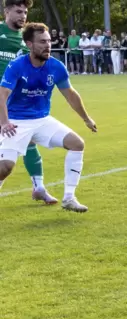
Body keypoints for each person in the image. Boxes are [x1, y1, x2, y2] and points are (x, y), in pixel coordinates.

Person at [0, 22, 97, 212]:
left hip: (42, 120)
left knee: (77, 144)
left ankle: (69, 197)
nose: (48, 45)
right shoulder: (17, 65)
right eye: (42, 42)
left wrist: (86, 119)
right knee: (5, 168)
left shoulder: (56, 66)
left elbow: (70, 94)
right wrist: (4, 122)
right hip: (17, 122)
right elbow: (2, 94)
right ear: (29, 44)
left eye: (49, 41)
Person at [0, 0, 58, 204]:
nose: (23, 15)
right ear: (6, 11)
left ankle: (39, 187)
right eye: (18, 11)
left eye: (25, 12)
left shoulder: (28, 40)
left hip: (19, 102)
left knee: (30, 141)